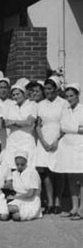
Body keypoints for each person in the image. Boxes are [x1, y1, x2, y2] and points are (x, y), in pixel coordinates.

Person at [35, 77, 67, 214]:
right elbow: (37, 126)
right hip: (44, 139)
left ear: (56, 89)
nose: (47, 91)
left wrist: (56, 141)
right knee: (47, 172)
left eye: (50, 88)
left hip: (59, 138)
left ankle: (59, 201)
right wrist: (42, 141)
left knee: (58, 171)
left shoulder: (64, 103)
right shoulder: (40, 104)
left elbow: (65, 124)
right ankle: (50, 202)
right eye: (46, 89)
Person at [53, 84, 83, 219]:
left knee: (81, 178)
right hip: (67, 146)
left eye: (72, 95)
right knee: (71, 177)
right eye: (67, 96)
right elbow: (62, 127)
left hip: (79, 146)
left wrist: (71, 129)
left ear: (77, 96)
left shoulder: (82, 110)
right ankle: (74, 207)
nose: (69, 98)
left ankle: (82, 209)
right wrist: (76, 129)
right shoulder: (65, 110)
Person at [4, 84, 37, 169]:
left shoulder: (32, 105)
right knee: (11, 166)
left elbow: (29, 122)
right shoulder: (11, 106)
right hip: (13, 140)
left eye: (18, 94)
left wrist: (14, 122)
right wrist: (22, 122)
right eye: (13, 95)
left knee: (28, 167)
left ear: (24, 94)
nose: (15, 96)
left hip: (27, 139)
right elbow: (6, 123)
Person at [8, 150, 42, 221]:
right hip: (18, 201)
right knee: (6, 210)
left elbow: (30, 194)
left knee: (16, 216)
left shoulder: (33, 173)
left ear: (26, 162)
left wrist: (14, 197)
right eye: (17, 164)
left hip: (31, 202)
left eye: (22, 164)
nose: (19, 166)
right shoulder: (14, 174)